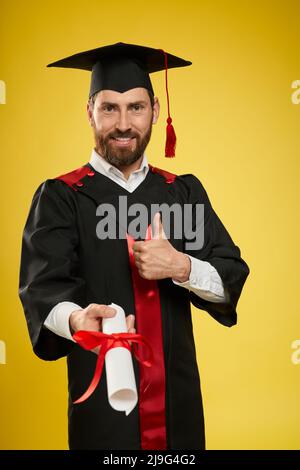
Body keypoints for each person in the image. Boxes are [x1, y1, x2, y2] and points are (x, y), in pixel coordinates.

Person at [19, 42, 250, 450]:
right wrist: (76, 321)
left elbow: (230, 273)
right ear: (89, 111)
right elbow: (42, 289)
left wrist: (182, 266)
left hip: (179, 407)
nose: (123, 123)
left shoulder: (182, 194)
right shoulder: (62, 197)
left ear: (156, 111)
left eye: (136, 108)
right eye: (109, 108)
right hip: (104, 401)